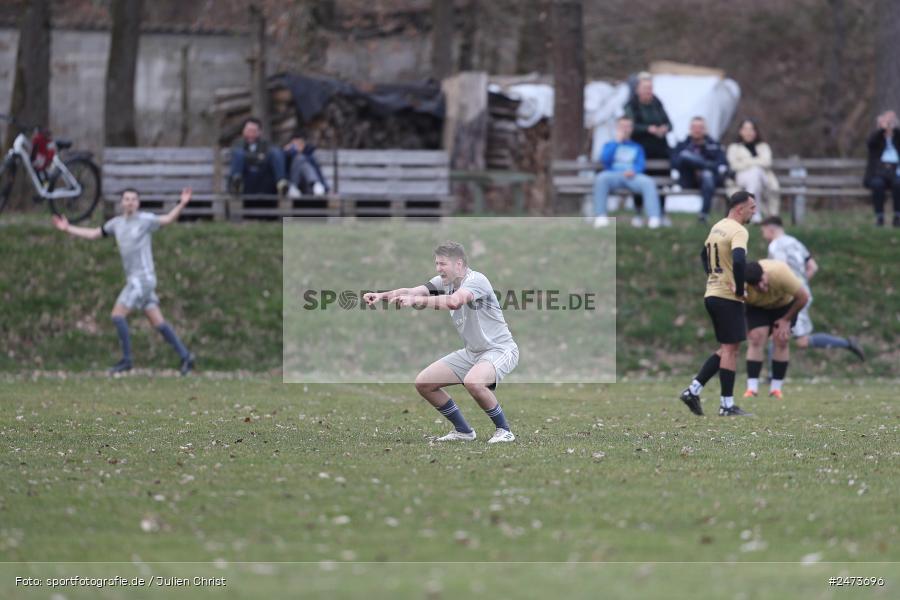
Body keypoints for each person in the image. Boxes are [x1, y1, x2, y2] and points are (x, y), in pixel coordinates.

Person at [363, 241, 518, 444]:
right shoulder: (442, 283)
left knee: (474, 382)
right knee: (424, 383)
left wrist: (417, 302)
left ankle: (504, 431)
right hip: (472, 353)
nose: (438, 268)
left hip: (499, 350)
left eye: (443, 264)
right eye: (437, 263)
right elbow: (413, 291)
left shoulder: (476, 280)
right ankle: (463, 431)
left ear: (459, 264)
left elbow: (454, 301)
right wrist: (381, 295)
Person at [52, 188, 196, 375]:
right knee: (157, 322)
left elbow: (168, 219)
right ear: (122, 203)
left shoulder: (145, 220)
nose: (130, 202)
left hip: (143, 280)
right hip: (137, 281)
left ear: (138, 203)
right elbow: (94, 233)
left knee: (117, 315)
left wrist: (182, 203)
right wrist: (68, 228)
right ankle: (186, 356)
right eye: (126, 199)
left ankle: (127, 360)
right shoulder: (116, 224)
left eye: (133, 199)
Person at [748, 216, 864, 395]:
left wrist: (790, 288)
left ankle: (846, 343)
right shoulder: (796, 243)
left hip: (791, 297)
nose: (763, 235)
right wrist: (801, 284)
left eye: (763, 231)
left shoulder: (776, 246)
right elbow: (813, 267)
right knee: (787, 336)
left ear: (770, 230)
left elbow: (780, 268)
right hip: (800, 292)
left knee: (789, 335)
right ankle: (773, 376)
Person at [679, 190, 757, 417]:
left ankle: (693, 390)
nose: (755, 211)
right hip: (726, 297)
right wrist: (740, 287)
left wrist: (712, 277)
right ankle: (726, 405)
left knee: (727, 348)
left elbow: (704, 255)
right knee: (730, 350)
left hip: (713, 293)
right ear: (740, 208)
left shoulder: (718, 226)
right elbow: (740, 260)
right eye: (752, 207)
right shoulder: (739, 230)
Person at [742, 259, 809, 399]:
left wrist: (786, 320)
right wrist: (746, 323)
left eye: (762, 281)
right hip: (758, 308)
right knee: (756, 338)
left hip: (784, 306)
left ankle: (776, 389)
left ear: (764, 273)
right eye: (756, 286)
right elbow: (737, 304)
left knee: (781, 339)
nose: (761, 287)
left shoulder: (780, 272)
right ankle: (752, 389)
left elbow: (803, 297)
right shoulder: (743, 286)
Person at [592, 116, 662, 228]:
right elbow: (605, 160)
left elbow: (640, 164)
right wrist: (617, 142)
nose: (625, 129)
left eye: (627, 126)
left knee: (648, 182)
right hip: (613, 175)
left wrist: (634, 171)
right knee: (601, 178)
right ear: (617, 128)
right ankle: (601, 217)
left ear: (631, 129)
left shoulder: (637, 147)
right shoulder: (609, 145)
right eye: (622, 126)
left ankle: (654, 218)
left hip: (632, 176)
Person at [624, 72, 673, 227]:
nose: (648, 91)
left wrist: (664, 128)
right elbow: (630, 126)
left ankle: (661, 212)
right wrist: (648, 129)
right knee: (639, 180)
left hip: (660, 148)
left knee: (662, 181)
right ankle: (639, 213)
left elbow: (669, 123)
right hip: (640, 149)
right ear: (638, 89)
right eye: (645, 88)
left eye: (650, 88)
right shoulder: (631, 105)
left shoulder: (657, 103)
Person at [672, 117, 729, 224]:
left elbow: (723, 164)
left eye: (700, 127)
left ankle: (704, 214)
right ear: (690, 129)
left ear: (705, 129)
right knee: (685, 156)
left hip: (709, 182)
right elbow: (675, 163)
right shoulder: (682, 145)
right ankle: (706, 166)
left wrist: (701, 168)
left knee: (706, 174)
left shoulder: (714, 145)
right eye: (694, 127)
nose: (697, 130)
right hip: (688, 180)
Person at [726, 119, 780, 222]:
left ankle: (753, 213)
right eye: (745, 129)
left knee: (756, 173)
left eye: (751, 129)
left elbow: (767, 162)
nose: (748, 132)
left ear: (755, 131)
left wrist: (746, 162)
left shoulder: (763, 146)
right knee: (755, 173)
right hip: (741, 178)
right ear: (740, 131)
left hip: (764, 179)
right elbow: (734, 165)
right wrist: (756, 161)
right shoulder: (734, 147)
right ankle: (756, 214)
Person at [228, 117, 288, 198]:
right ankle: (236, 184)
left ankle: (281, 182)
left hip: (263, 179)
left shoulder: (266, 144)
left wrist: (250, 157)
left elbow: (270, 157)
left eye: (254, 131)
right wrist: (258, 157)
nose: (251, 134)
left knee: (276, 152)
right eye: (249, 131)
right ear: (243, 131)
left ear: (259, 132)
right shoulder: (237, 143)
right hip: (245, 178)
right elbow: (238, 156)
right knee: (239, 153)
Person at [863, 110, 900, 227]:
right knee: (877, 185)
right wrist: (882, 130)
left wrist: (894, 128)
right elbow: (870, 143)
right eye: (886, 122)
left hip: (895, 172)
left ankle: (897, 216)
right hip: (878, 172)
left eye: (891, 122)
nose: (888, 125)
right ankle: (880, 217)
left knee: (898, 184)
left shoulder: (897, 137)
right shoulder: (877, 138)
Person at [284, 131, 329, 198]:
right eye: (295, 143)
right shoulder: (288, 154)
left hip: (307, 186)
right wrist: (289, 152)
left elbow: (317, 171)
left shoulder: (309, 155)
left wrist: (326, 187)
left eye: (299, 143)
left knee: (304, 163)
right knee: (299, 158)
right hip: (294, 183)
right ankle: (316, 184)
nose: (297, 146)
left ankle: (314, 184)